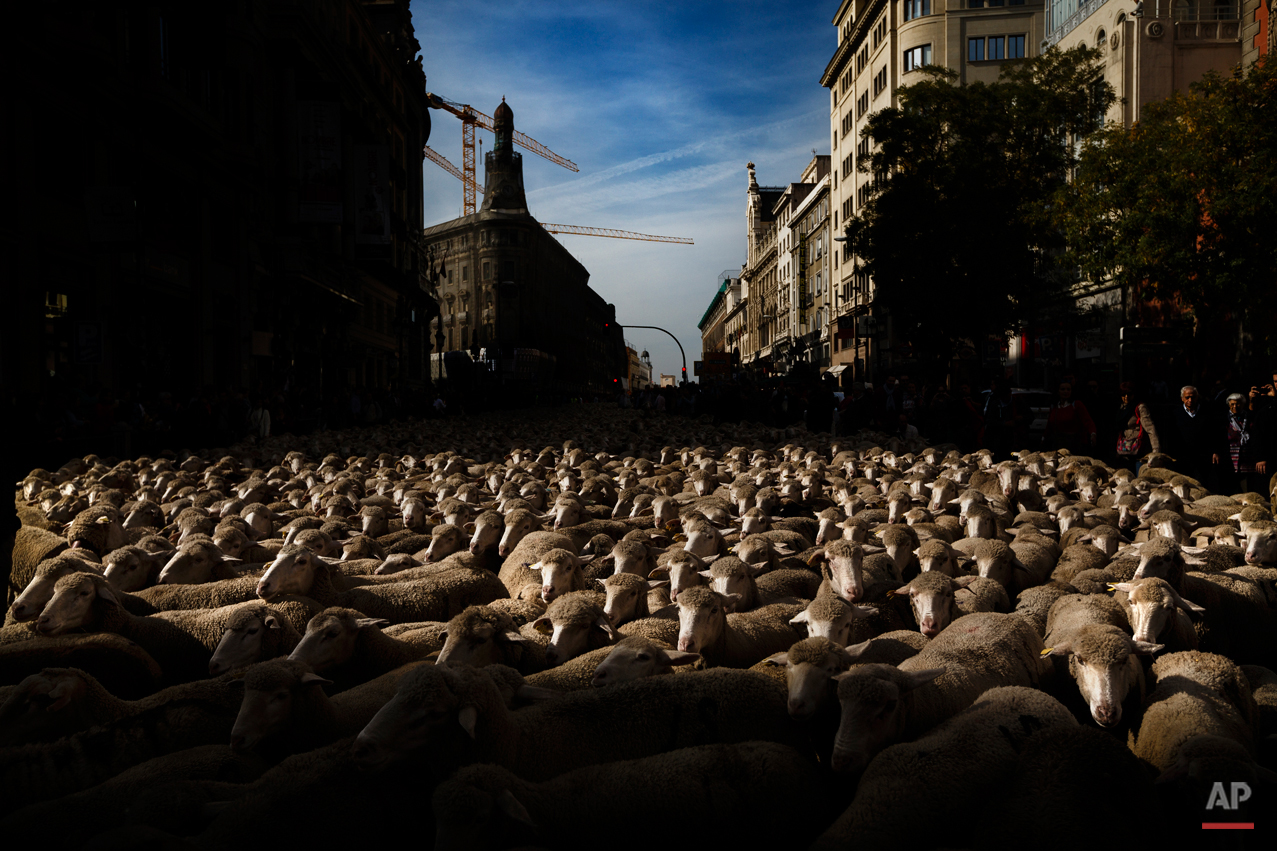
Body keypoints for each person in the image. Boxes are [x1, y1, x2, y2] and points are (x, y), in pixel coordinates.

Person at [1213, 392, 1268, 495]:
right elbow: (1218, 437)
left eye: (1238, 404)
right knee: (1231, 490)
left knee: (1248, 491)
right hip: (1229, 460)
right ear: (1228, 405)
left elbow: (1257, 437)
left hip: (1248, 460)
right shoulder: (1223, 419)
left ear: (1243, 404)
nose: (1235, 406)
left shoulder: (1250, 418)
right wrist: (1216, 452)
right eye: (1232, 404)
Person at [1113, 381, 1160, 469]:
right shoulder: (1121, 408)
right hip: (1124, 450)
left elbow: (1150, 428)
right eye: (1123, 394)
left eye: (1129, 394)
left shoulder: (1139, 407)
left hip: (1138, 450)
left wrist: (1156, 450)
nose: (1126, 397)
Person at [1045, 381, 1096, 454]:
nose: (1066, 391)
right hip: (1057, 444)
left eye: (1068, 389)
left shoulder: (1077, 405)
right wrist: (1044, 438)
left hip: (1074, 445)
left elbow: (1087, 421)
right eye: (1063, 389)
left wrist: (1093, 434)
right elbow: (1049, 425)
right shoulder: (1054, 406)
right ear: (1058, 391)